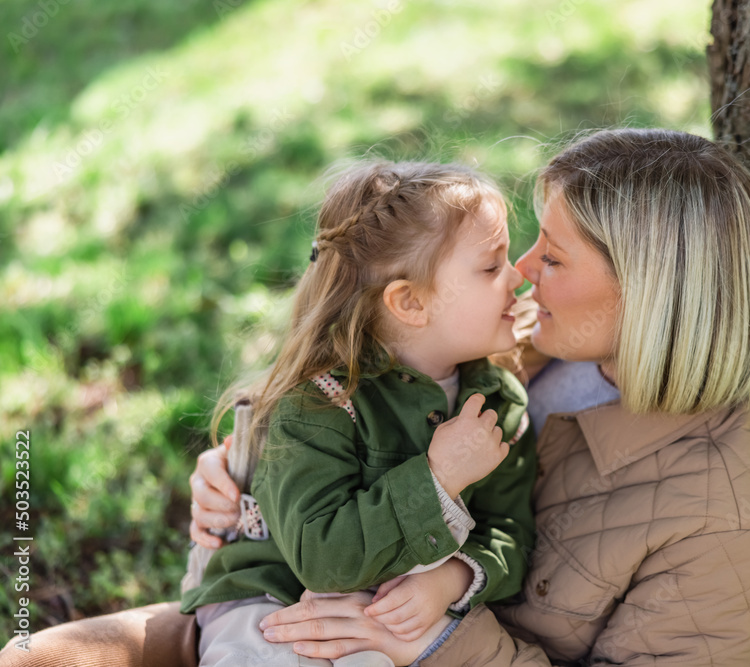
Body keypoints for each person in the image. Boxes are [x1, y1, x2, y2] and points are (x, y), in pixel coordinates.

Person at [1, 128, 750, 666]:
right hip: (273, 609)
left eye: (552, 256)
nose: (522, 271)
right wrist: (243, 466)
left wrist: (434, 630)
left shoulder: (735, 511)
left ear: (653, 292)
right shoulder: (510, 346)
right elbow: (342, 382)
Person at [179, 161, 536, 666]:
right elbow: (321, 559)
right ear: (410, 302)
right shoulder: (320, 399)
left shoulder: (500, 404)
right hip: (271, 594)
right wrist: (438, 480)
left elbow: (510, 531)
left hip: (386, 607)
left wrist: (454, 577)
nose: (517, 276)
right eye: (491, 266)